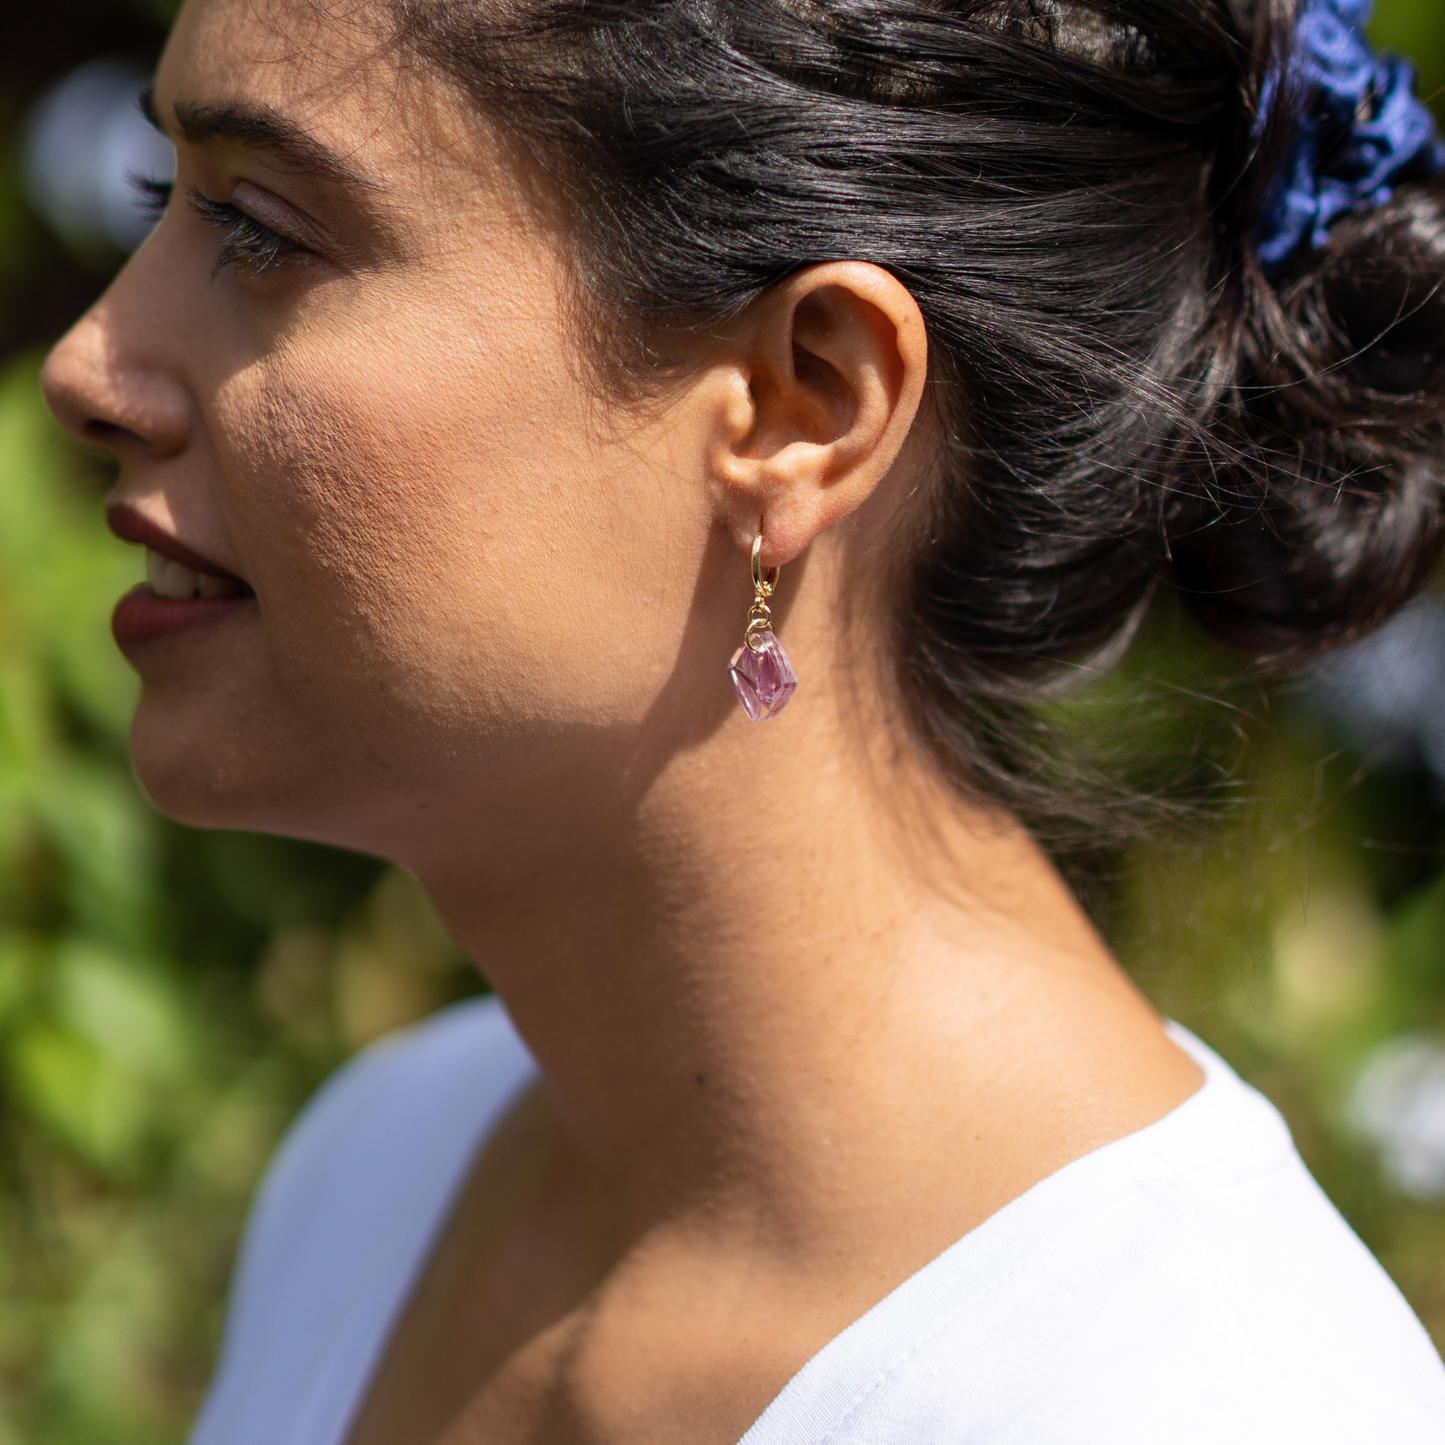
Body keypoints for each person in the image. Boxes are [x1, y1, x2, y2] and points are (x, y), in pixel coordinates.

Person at [37, 0, 1445, 1438]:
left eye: (262, 226)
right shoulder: (381, 1171)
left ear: (802, 407)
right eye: (165, 196)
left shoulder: (1210, 1403)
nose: (88, 366)